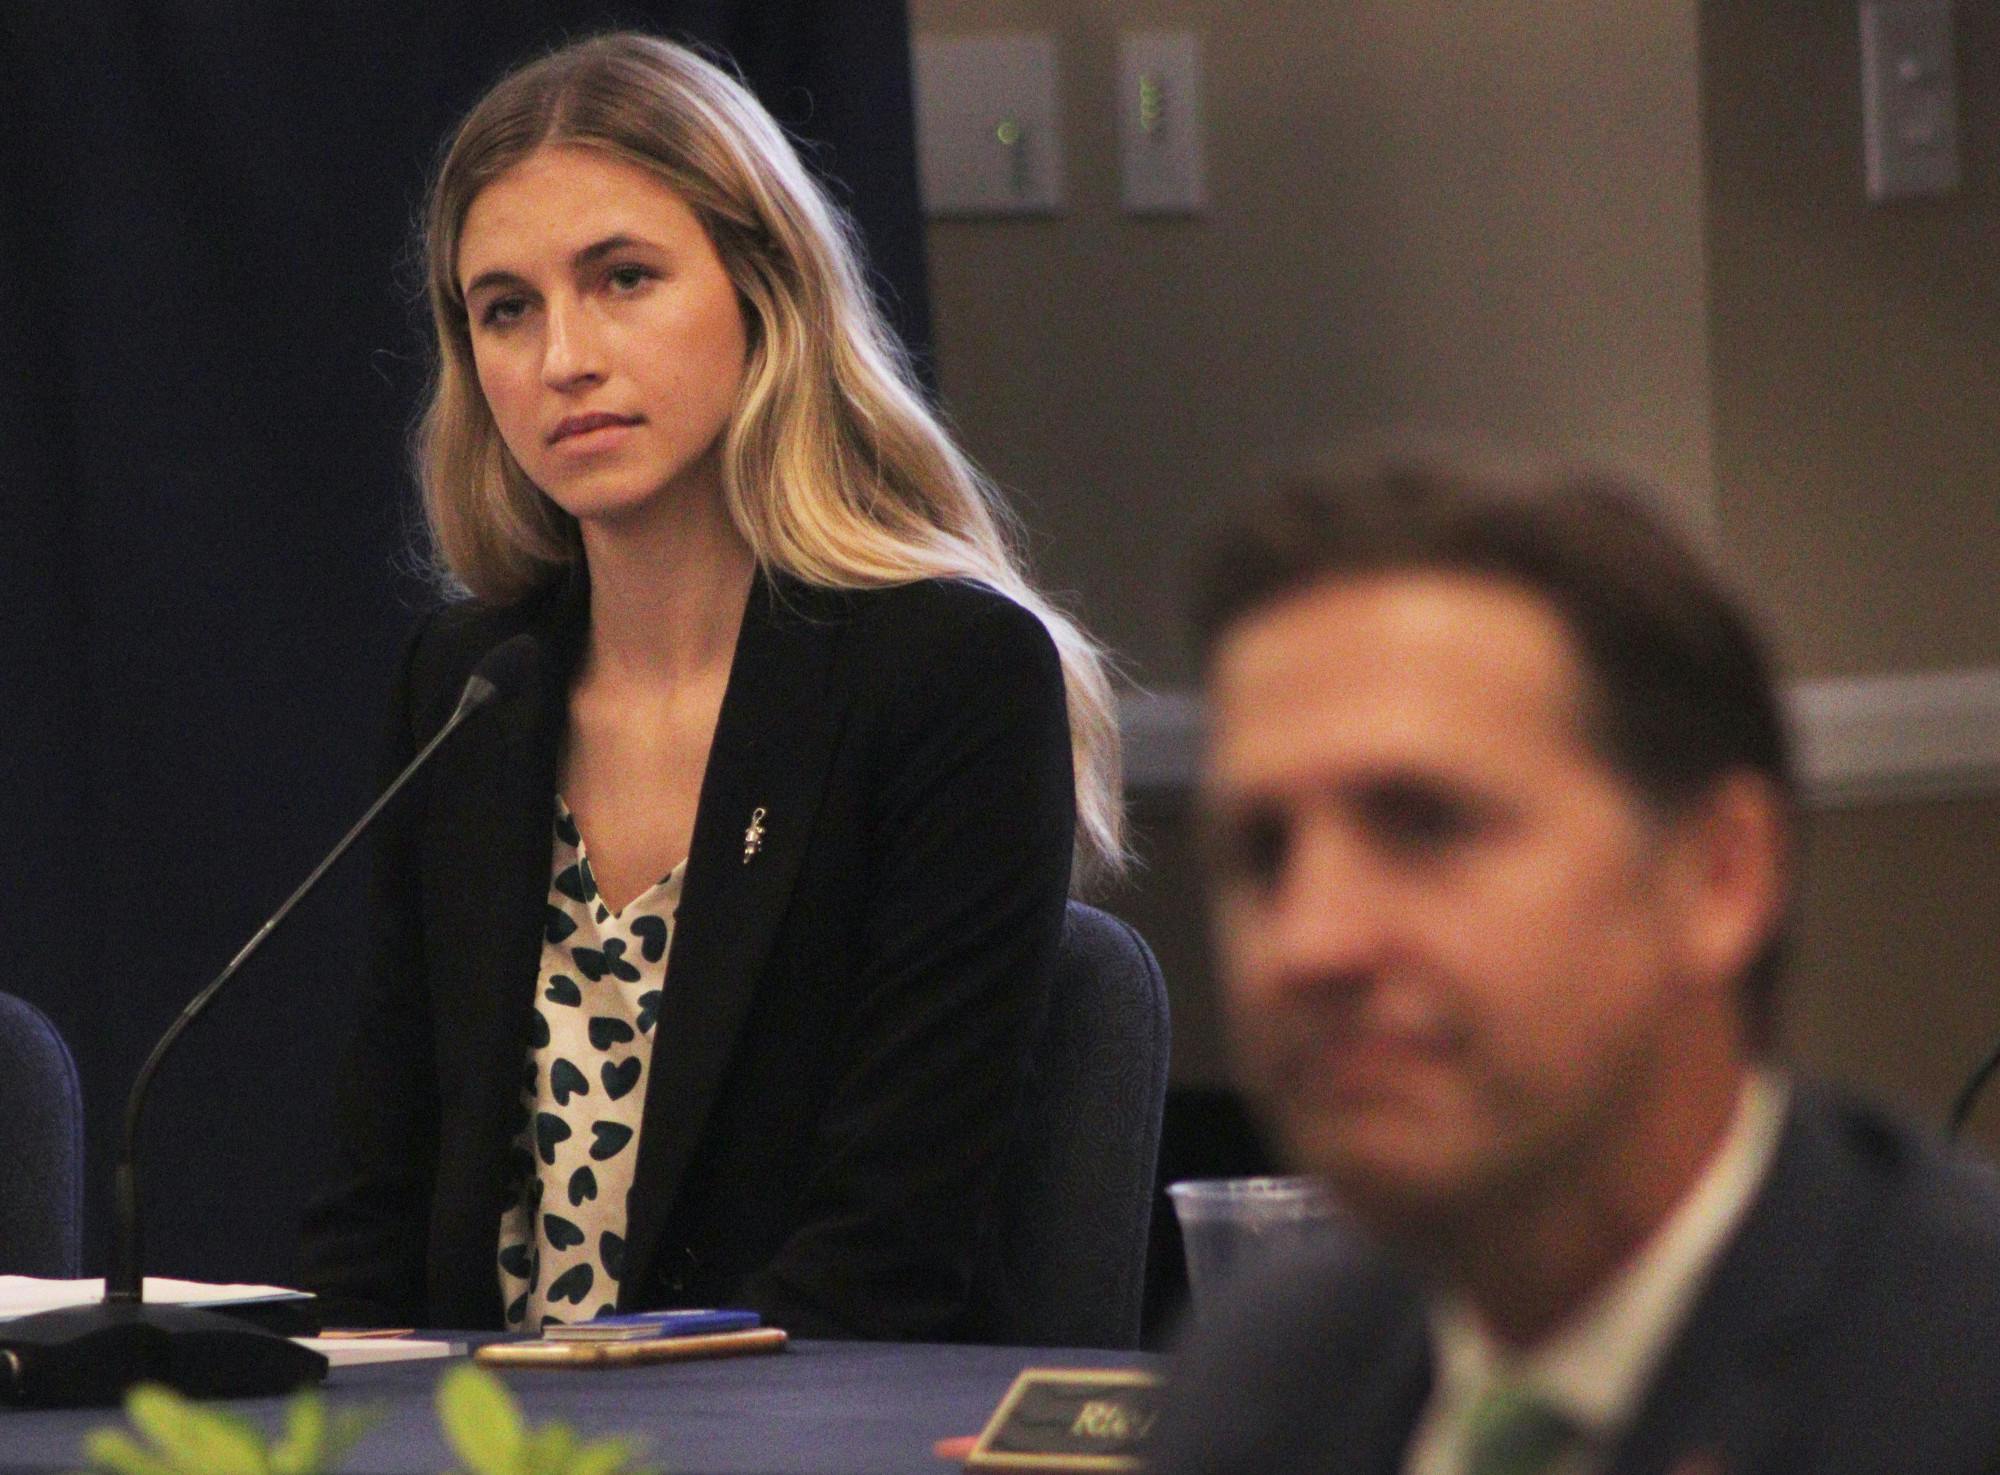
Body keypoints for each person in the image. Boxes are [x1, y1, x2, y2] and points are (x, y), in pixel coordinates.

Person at [297, 33, 1124, 1338]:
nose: (563, 355)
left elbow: (886, 1256)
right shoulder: (473, 687)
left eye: (622, 278)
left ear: (766, 290)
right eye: (506, 307)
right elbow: (374, 1205)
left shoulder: (949, 675)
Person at [1152, 459, 2000, 1474]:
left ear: (1718, 873)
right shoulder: (1264, 1377)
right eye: (1259, 853)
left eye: (1425, 824)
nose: (1309, 941)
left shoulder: (1956, 1380)